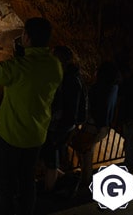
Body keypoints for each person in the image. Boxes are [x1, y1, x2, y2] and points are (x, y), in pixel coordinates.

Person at [0, 17, 63, 215]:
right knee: (28, 181)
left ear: (26, 37)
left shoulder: (17, 67)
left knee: (5, 184)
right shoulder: (55, 66)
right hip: (36, 136)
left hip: (11, 136)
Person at [40, 45, 84, 192]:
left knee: (52, 159)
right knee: (50, 157)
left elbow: (69, 105)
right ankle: (62, 180)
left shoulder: (69, 80)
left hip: (59, 126)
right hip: (62, 125)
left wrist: (61, 124)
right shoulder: (72, 77)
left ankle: (49, 190)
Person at [77, 61, 120, 186]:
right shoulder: (114, 87)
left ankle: (85, 179)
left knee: (85, 151)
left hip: (93, 125)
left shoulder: (97, 88)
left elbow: (93, 107)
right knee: (89, 151)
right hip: (104, 126)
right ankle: (87, 179)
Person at [119, 56, 133, 180]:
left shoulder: (132, 81)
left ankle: (131, 173)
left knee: (132, 146)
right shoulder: (132, 81)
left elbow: (124, 99)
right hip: (132, 120)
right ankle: (132, 172)